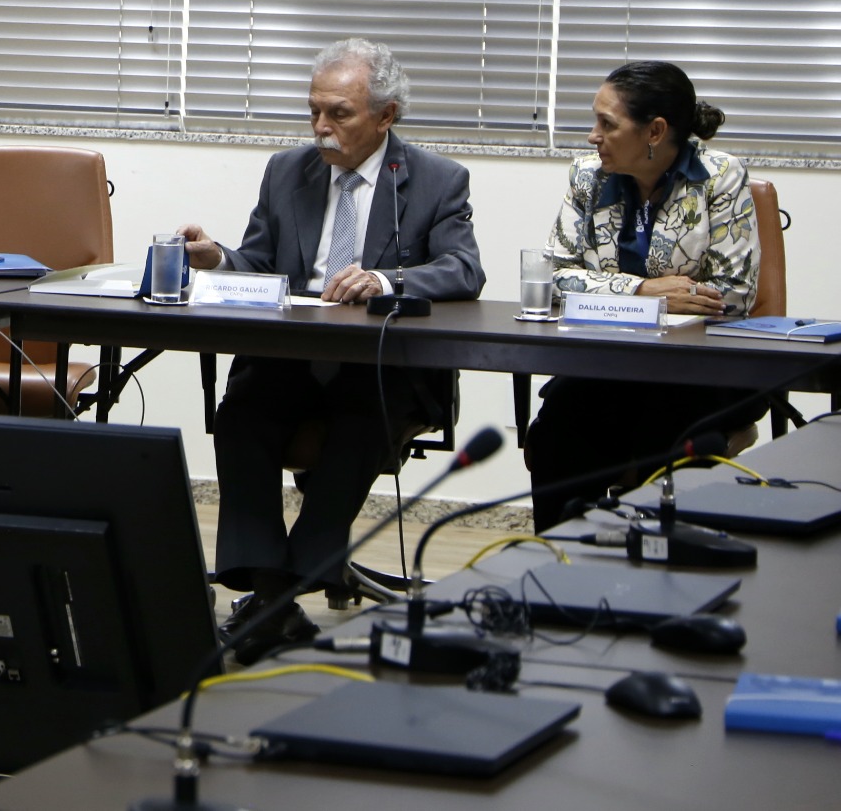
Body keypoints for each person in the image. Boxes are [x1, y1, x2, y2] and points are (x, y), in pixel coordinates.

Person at [176, 38, 485, 665]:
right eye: (314, 111)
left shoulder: (436, 179)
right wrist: (220, 260)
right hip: (292, 356)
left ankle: (282, 589)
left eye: (339, 114)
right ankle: (269, 586)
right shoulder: (287, 170)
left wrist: (385, 280)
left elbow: (463, 269)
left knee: (361, 417)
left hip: (379, 365)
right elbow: (260, 263)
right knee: (242, 414)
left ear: (386, 116)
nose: (321, 127)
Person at [525, 61, 763, 528]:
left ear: (655, 131)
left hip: (696, 370)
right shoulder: (587, 176)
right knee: (555, 435)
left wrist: (606, 290)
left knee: (665, 436)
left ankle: (663, 563)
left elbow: (733, 293)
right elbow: (553, 276)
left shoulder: (719, 176)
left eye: (607, 124)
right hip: (609, 363)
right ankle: (557, 562)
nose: (593, 136)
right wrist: (643, 291)